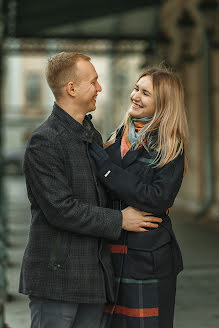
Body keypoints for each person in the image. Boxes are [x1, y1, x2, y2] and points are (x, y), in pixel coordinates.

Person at [19, 52, 162, 328]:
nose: (100, 88)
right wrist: (121, 220)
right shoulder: (44, 141)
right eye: (93, 82)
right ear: (72, 89)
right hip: (56, 280)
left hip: (93, 278)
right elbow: (61, 210)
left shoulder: (91, 135)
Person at [89, 66, 189, 328]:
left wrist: (107, 169)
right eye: (136, 88)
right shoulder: (113, 139)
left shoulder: (170, 147)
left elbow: (157, 199)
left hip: (149, 261)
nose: (135, 96)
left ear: (163, 104)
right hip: (109, 256)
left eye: (146, 93)